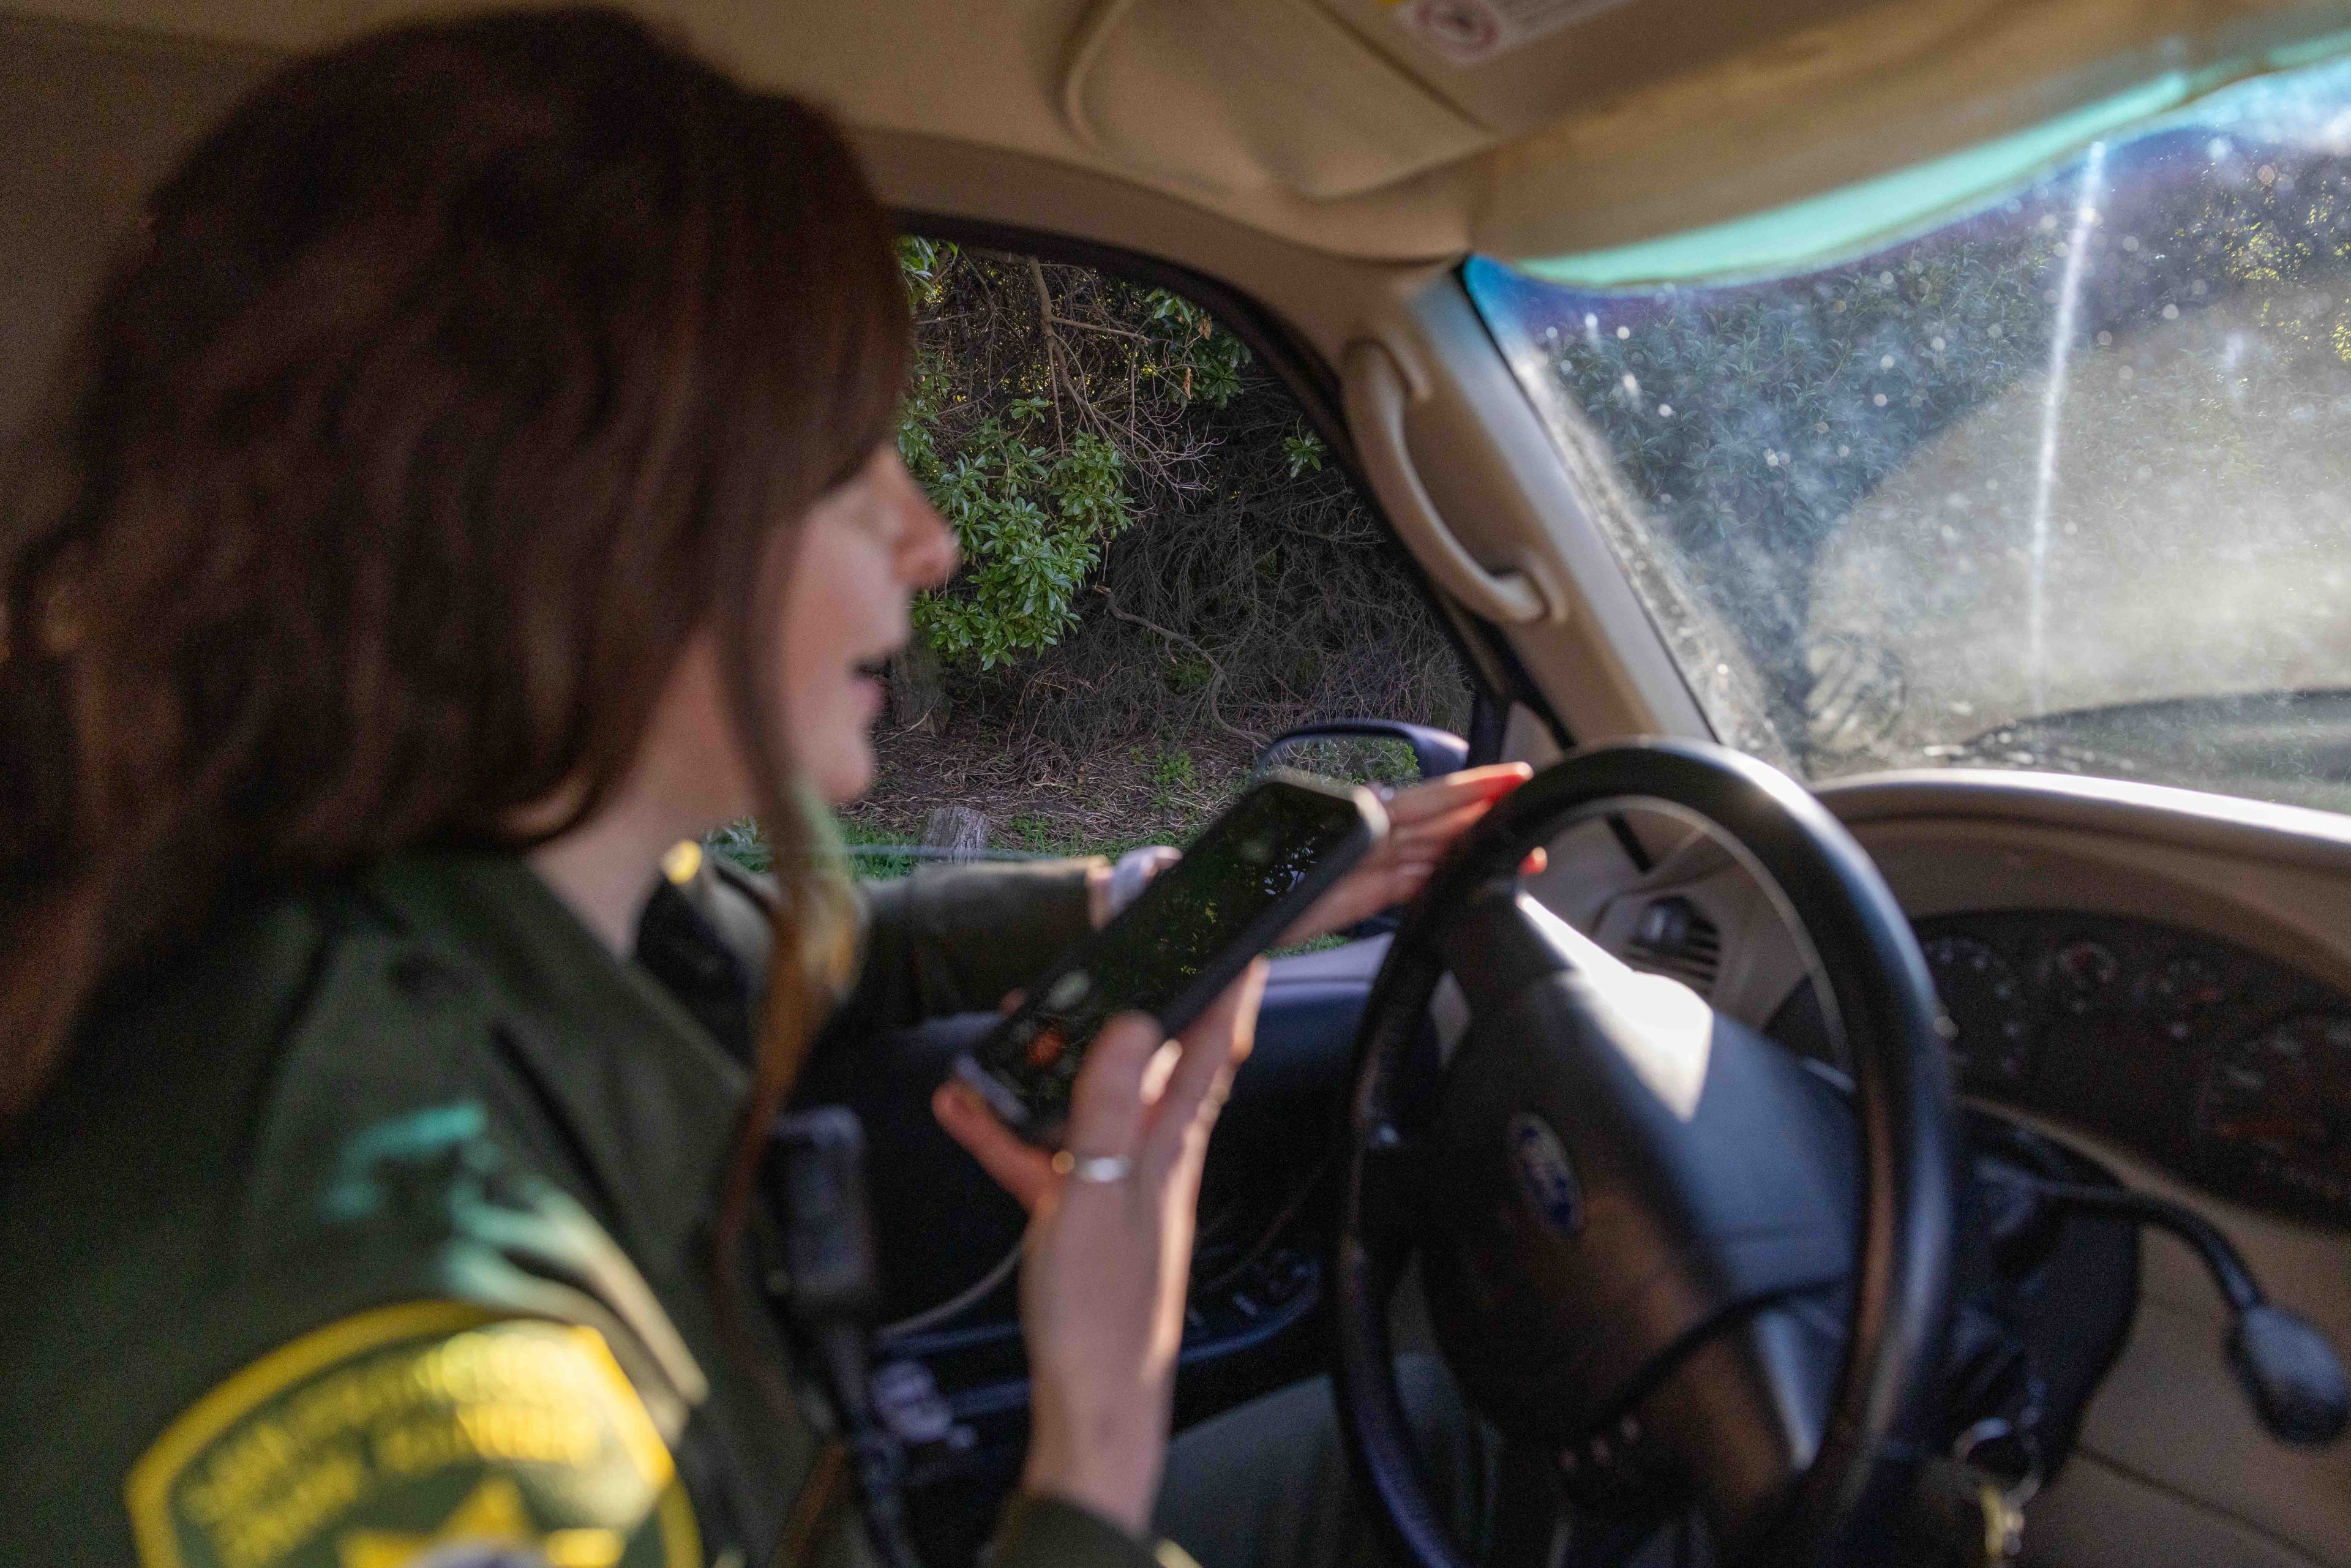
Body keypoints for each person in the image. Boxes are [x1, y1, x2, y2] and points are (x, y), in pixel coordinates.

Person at [0, 12, 1532, 1568]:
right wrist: (1097, 1433)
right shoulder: (408, 1379)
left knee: (1458, 1443)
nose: (930, 539)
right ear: (584, 517)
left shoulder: (455, 874)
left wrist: (1188, 897)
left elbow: (821, 957)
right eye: (844, 453)